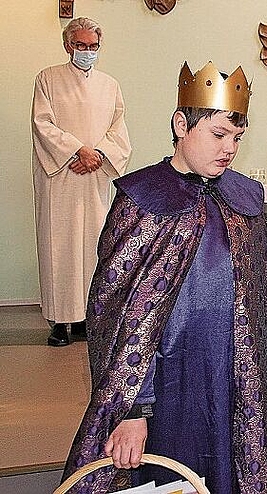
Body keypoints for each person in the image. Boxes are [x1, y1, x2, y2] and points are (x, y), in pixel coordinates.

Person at [62, 61, 267, 493]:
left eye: (237, 138)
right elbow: (116, 313)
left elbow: (263, 304)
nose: (230, 149)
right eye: (219, 135)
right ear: (181, 124)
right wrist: (132, 410)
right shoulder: (143, 198)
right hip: (169, 386)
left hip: (237, 382)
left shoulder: (244, 197)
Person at [32, 17, 132, 347]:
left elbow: (118, 131)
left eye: (93, 46)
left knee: (94, 245)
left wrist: (98, 154)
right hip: (60, 176)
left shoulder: (110, 84)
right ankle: (60, 321)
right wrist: (77, 150)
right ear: (68, 45)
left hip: (94, 176)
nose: (87, 51)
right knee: (59, 245)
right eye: (81, 45)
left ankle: (89, 317)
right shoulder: (47, 79)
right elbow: (42, 124)